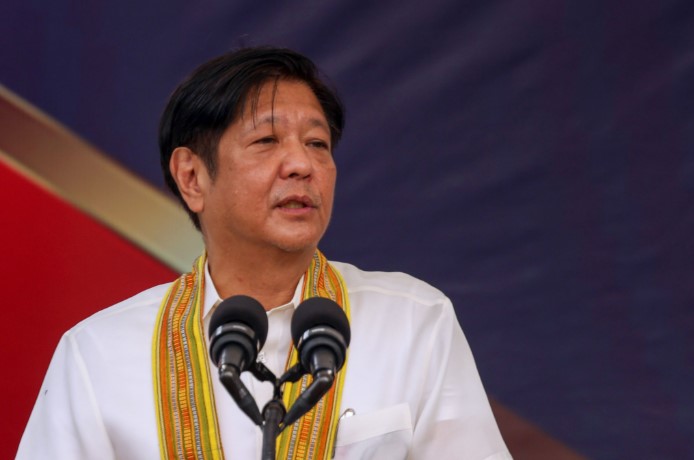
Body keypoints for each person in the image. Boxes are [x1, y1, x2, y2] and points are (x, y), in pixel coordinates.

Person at [17, 46, 512, 460]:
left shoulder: (414, 322)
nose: (301, 164)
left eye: (317, 143)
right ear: (192, 177)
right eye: (266, 140)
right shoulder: (98, 354)